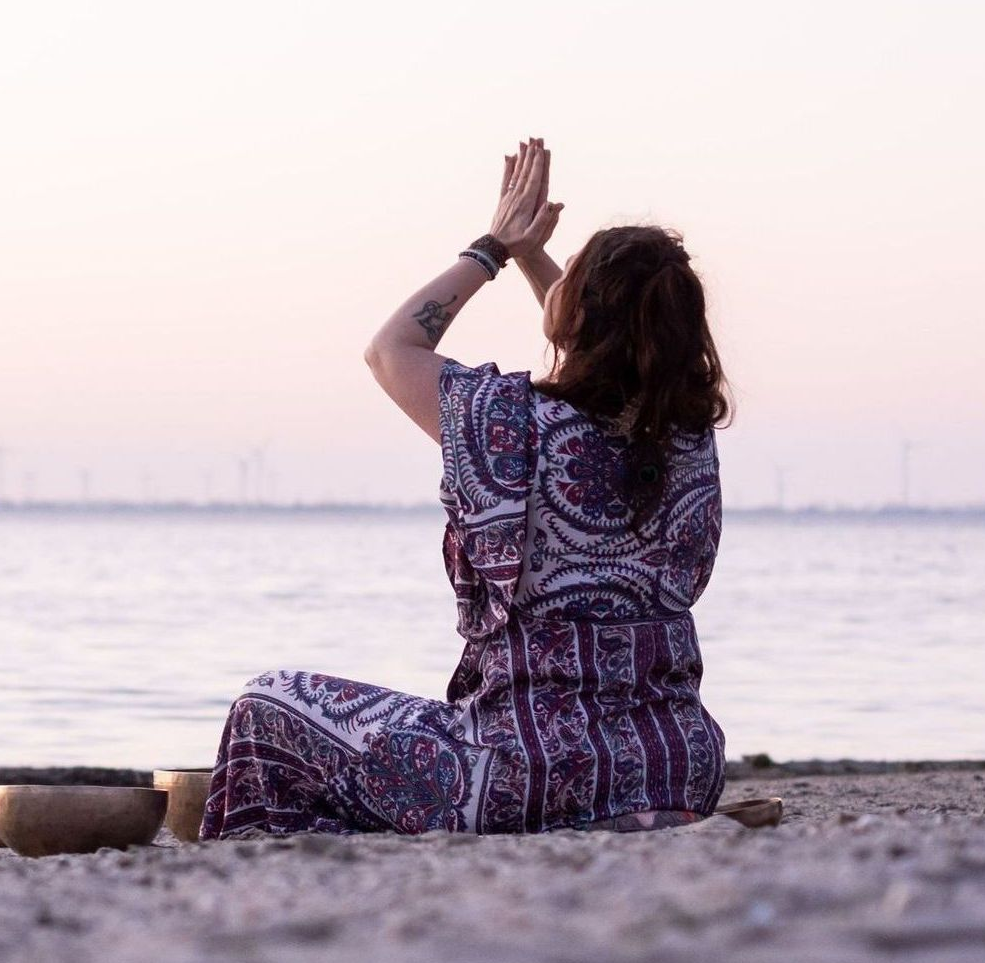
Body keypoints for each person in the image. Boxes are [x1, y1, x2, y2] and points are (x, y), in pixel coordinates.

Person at [200, 137, 731, 838]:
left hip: (527, 778)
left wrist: (494, 248)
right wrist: (547, 264)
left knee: (268, 704)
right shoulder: (685, 442)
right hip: (678, 766)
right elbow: (612, 355)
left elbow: (391, 350)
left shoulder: (510, 424)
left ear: (576, 315)